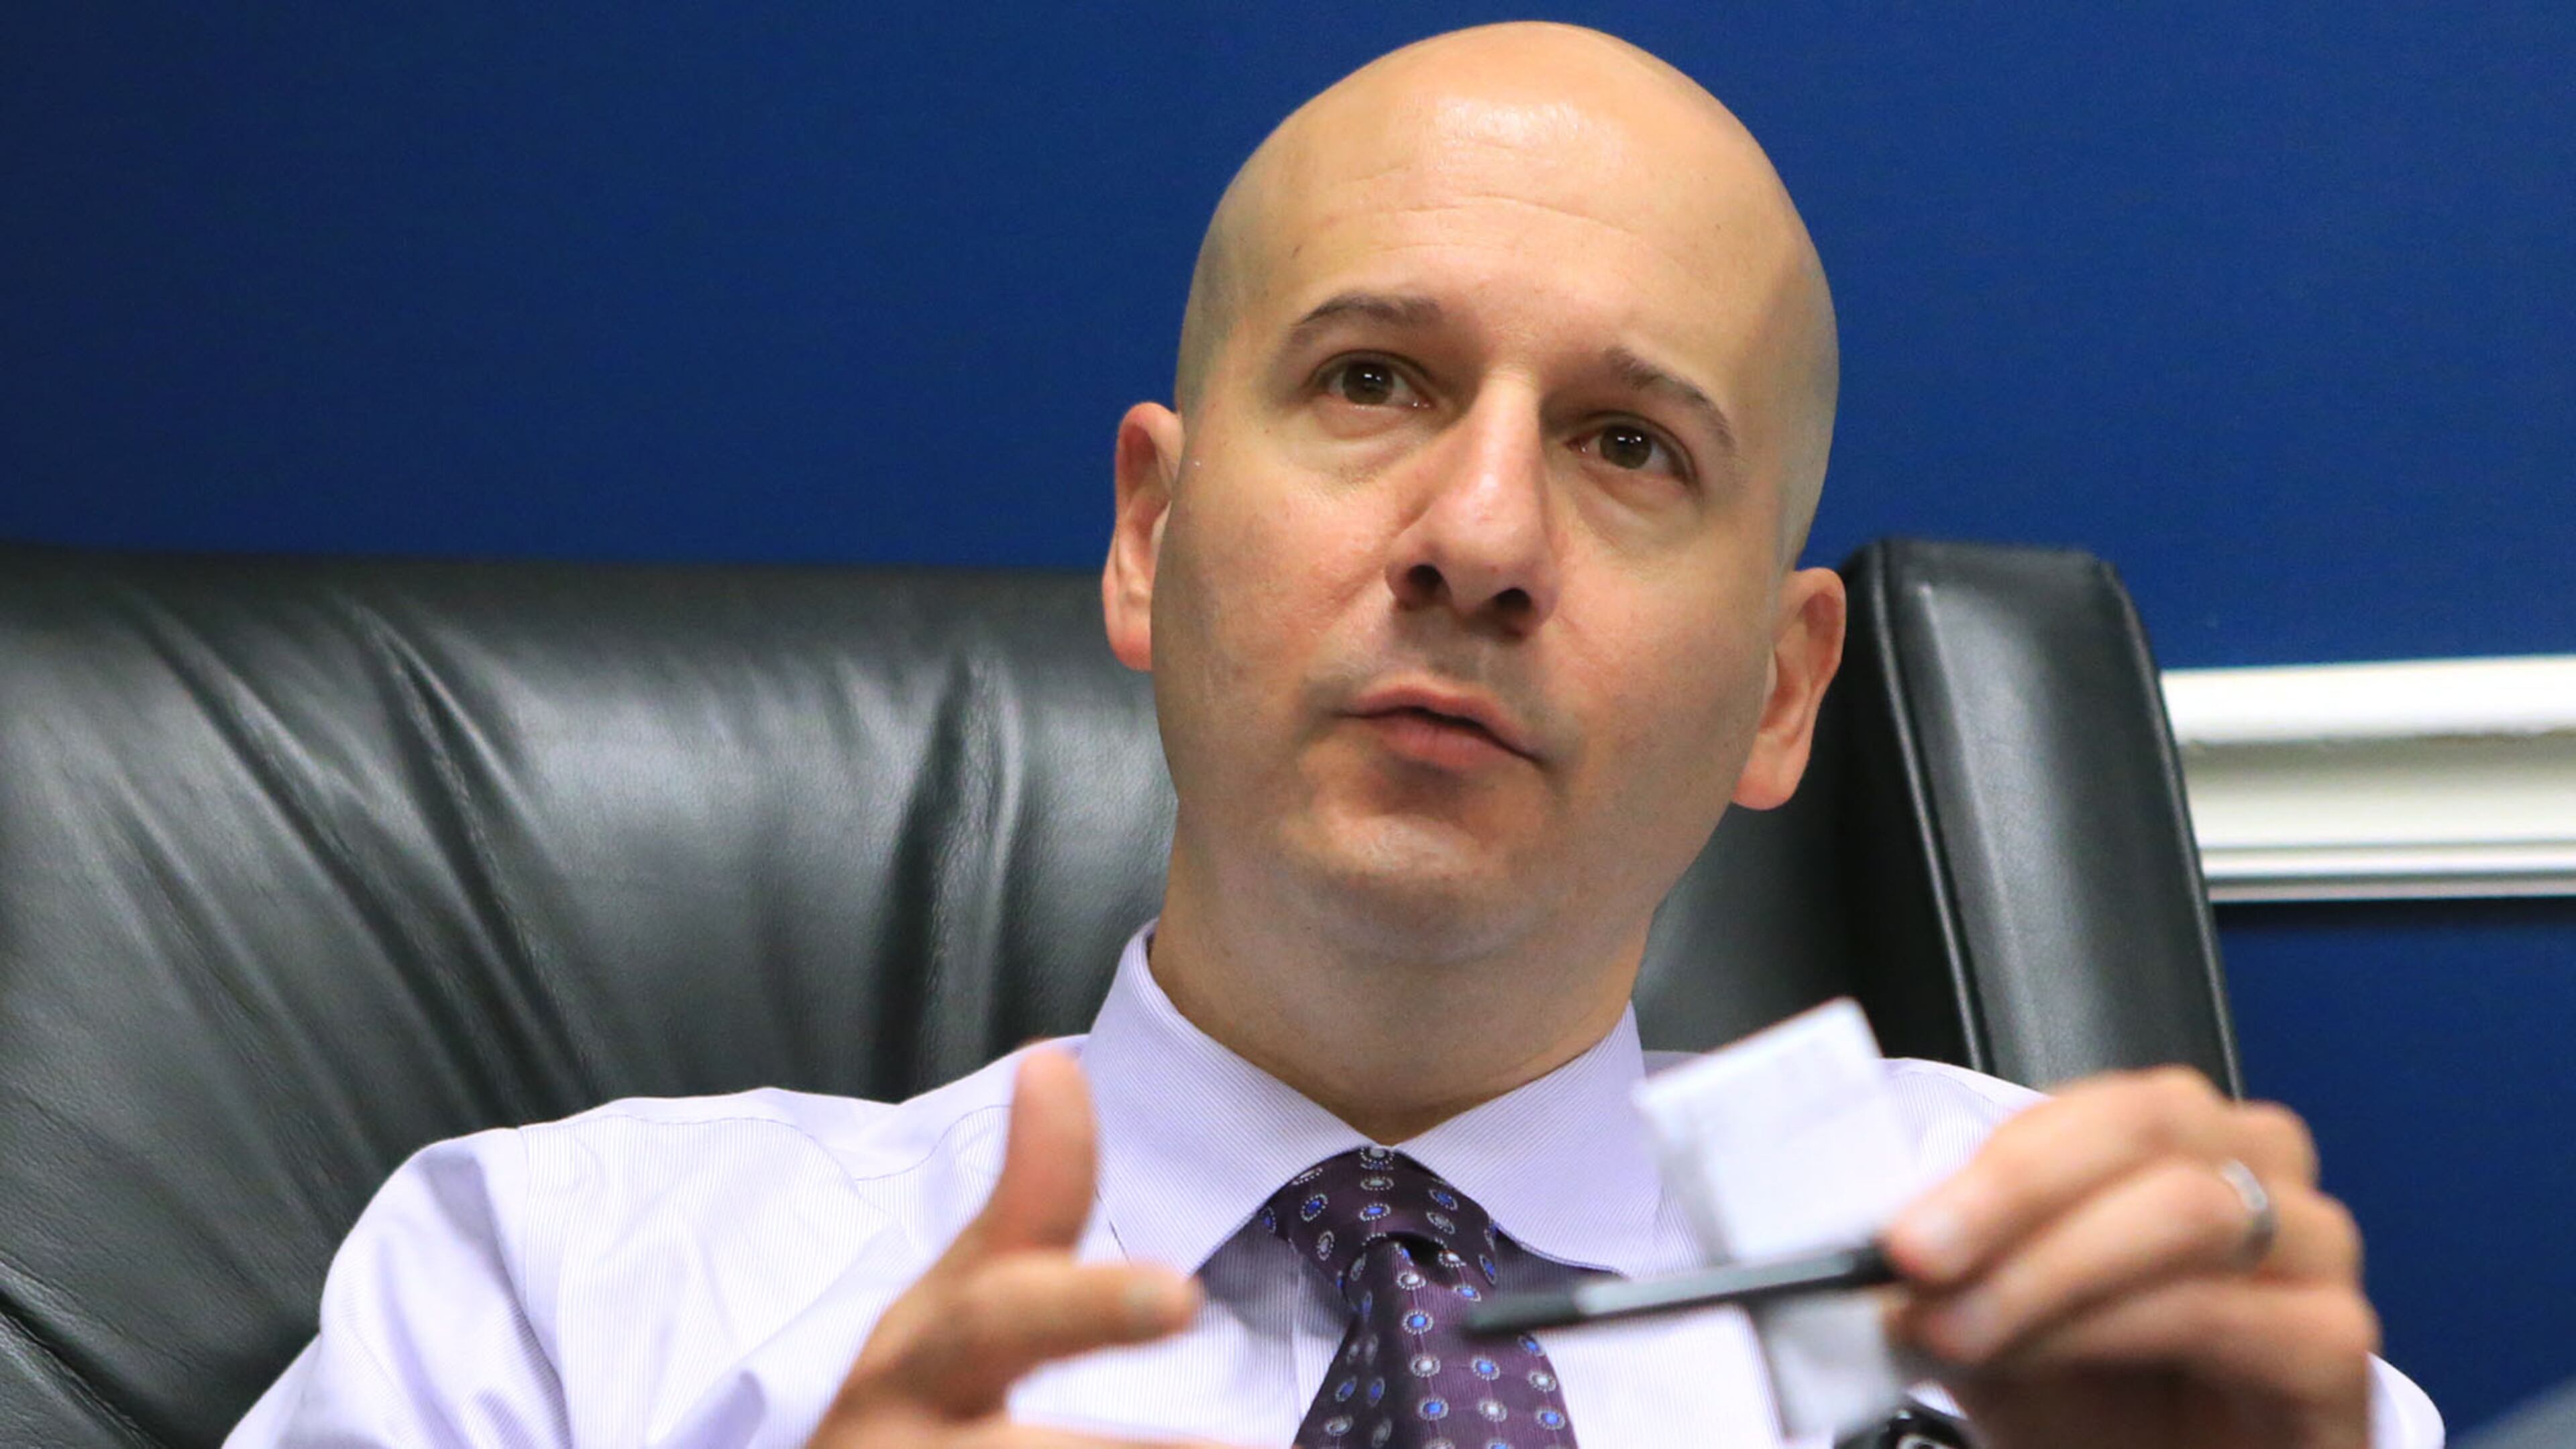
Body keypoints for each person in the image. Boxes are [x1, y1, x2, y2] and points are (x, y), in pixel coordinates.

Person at [229, 21, 2440, 1449]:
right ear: (1150, 534)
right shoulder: (549, 1296)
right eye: (1374, 379)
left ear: (1781, 695)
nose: (1479, 536)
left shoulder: (2082, 1326)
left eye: (1628, 446)